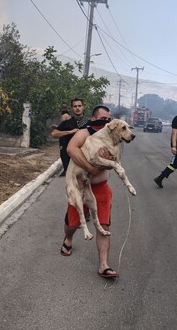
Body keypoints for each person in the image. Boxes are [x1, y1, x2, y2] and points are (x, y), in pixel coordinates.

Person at [59, 105, 119, 279]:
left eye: (109, 119)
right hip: (80, 187)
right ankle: (68, 239)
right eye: (103, 119)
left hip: (101, 189)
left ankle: (103, 265)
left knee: (104, 226)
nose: (107, 122)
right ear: (93, 120)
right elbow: (71, 149)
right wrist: (90, 169)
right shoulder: (84, 134)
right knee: (72, 224)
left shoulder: (111, 138)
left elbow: (115, 160)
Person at [51, 98, 90, 177]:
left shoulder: (89, 123)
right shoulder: (66, 123)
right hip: (70, 161)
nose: (77, 108)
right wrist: (70, 132)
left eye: (79, 106)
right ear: (72, 108)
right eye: (75, 106)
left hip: (85, 161)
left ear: (83, 107)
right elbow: (54, 134)